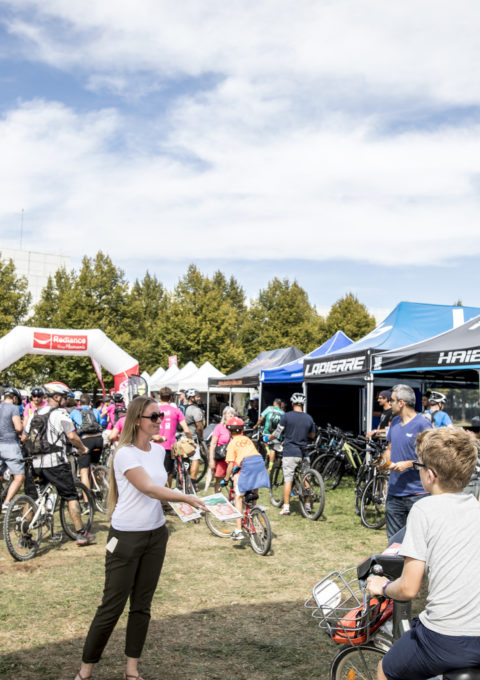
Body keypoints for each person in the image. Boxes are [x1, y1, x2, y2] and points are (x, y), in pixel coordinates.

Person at [74, 396, 206, 680]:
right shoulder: (124, 453)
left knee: (142, 606)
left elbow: (161, 492)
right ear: (136, 421)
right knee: (112, 606)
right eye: (153, 416)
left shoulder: (158, 452)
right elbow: (148, 488)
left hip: (156, 535)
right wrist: (186, 497)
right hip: (125, 537)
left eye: (160, 415)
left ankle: (131, 671)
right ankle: (85, 673)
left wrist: (183, 506)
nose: (160, 420)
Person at [366, 427, 480, 680]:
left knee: (385, 670)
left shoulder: (424, 510)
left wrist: (383, 587)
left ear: (430, 475)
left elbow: (408, 589)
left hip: (445, 638)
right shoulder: (476, 506)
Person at [23, 382, 95, 546]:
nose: (66, 400)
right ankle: (81, 533)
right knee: (70, 495)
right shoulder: (60, 414)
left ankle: (24, 535)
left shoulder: (35, 414)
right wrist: (82, 448)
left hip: (35, 463)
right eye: (64, 397)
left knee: (33, 498)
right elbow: (72, 436)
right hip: (55, 462)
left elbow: (24, 437)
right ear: (56, 397)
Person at [384, 384, 432, 540]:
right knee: (393, 541)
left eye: (392, 400)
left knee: (418, 540)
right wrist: (384, 461)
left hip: (417, 493)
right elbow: (389, 448)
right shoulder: (395, 422)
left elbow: (430, 456)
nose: (389, 404)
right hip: (394, 493)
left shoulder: (422, 424)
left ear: (401, 403)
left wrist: (408, 464)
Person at [222, 416, 270, 541]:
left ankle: (238, 530)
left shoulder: (232, 443)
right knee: (253, 492)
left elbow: (231, 464)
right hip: (259, 464)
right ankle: (254, 513)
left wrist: (226, 479)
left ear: (229, 431)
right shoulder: (247, 439)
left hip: (247, 466)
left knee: (238, 496)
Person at [269, 392, 316, 516]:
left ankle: (286, 507)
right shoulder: (309, 418)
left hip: (290, 452)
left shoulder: (286, 416)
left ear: (292, 403)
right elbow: (312, 435)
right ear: (303, 404)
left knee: (288, 478)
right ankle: (307, 505)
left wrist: (270, 437)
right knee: (306, 478)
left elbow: (278, 432)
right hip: (304, 452)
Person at [154, 387, 192, 485]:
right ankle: (166, 496)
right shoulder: (176, 410)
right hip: (169, 446)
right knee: (168, 472)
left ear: (159, 397)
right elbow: (186, 429)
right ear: (171, 397)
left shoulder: (154, 410)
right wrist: (190, 440)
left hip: (154, 444)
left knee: (154, 471)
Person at [70, 394, 104, 492]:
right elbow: (100, 423)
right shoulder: (95, 411)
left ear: (79, 403)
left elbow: (70, 427)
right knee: (96, 465)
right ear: (90, 403)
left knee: (84, 471)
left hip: (85, 440)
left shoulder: (74, 412)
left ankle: (87, 501)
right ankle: (103, 488)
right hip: (98, 440)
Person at [0, 386, 24, 513]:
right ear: (14, 398)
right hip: (10, 445)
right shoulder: (13, 408)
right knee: (19, 476)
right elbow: (18, 428)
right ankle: (7, 503)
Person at [209, 406, 235, 492]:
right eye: (229, 413)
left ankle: (233, 499)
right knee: (219, 480)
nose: (231, 415)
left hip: (233, 458)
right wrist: (211, 460)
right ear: (224, 415)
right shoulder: (219, 427)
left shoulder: (236, 428)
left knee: (235, 479)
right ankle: (217, 498)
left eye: (232, 414)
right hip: (222, 457)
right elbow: (213, 444)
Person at [255, 398, 284, 469]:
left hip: (267, 432)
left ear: (274, 404)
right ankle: (270, 467)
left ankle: (267, 451)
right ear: (280, 405)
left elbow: (261, 419)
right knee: (273, 449)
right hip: (277, 434)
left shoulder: (269, 408)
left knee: (264, 439)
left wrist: (256, 425)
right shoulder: (283, 413)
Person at [184, 389, 204, 489]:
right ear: (191, 398)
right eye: (197, 396)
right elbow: (199, 426)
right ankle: (192, 482)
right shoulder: (195, 409)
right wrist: (201, 436)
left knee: (183, 459)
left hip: (179, 436)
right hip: (191, 437)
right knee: (196, 459)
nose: (199, 398)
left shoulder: (181, 407)